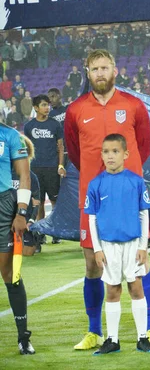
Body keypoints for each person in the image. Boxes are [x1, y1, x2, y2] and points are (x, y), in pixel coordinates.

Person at [64, 49, 150, 350]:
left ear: (115, 70)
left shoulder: (133, 105)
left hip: (128, 198)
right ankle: (95, 331)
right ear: (88, 72)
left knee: (139, 263)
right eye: (95, 69)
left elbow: (142, 147)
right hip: (94, 197)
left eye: (105, 67)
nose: (100, 73)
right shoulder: (75, 110)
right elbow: (76, 153)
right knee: (93, 265)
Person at [86, 134, 150, 354]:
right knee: (112, 290)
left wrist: (143, 246)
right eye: (106, 152)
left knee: (136, 288)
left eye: (115, 151)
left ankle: (143, 338)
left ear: (125, 154)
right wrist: (97, 249)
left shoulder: (136, 181)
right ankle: (113, 340)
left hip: (133, 243)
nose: (110, 156)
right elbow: (92, 219)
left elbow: (144, 215)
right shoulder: (96, 184)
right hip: (108, 246)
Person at [0, 120, 34, 354]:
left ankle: (23, 337)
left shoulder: (11, 136)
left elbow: (24, 175)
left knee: (10, 273)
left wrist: (21, 212)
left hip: (4, 205)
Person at [23, 95, 65, 239]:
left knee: (54, 201)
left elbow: (60, 147)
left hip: (52, 168)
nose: (47, 108)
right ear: (35, 108)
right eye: (43, 105)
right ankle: (41, 233)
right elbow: (27, 149)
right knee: (38, 203)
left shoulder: (55, 125)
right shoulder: (28, 126)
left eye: (48, 105)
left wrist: (60, 165)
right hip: (35, 169)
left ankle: (55, 231)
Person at [11, 136, 42, 255]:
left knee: (28, 253)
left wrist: (31, 221)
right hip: (7, 218)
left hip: (24, 218)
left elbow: (37, 202)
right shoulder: (4, 173)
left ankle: (35, 236)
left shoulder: (31, 177)